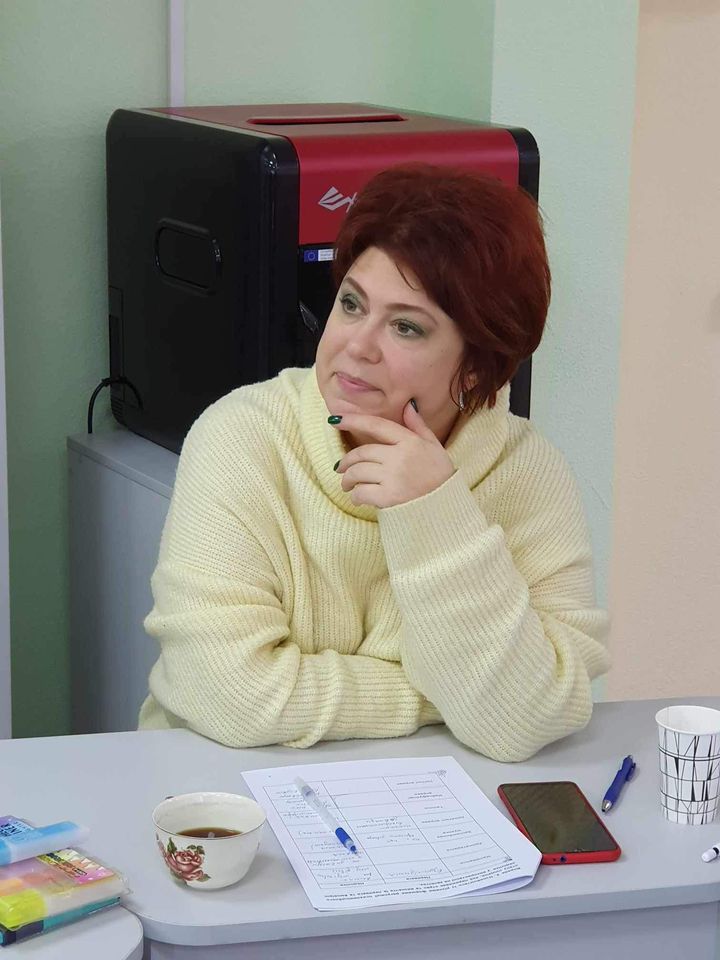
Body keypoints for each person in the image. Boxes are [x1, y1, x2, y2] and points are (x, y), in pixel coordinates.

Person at [138, 164, 609, 762]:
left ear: (475, 367)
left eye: (406, 327)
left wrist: (434, 513)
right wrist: (440, 698)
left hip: (436, 798)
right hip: (217, 788)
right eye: (351, 304)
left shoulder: (528, 472)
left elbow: (530, 720)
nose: (356, 345)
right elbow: (228, 695)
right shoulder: (243, 435)